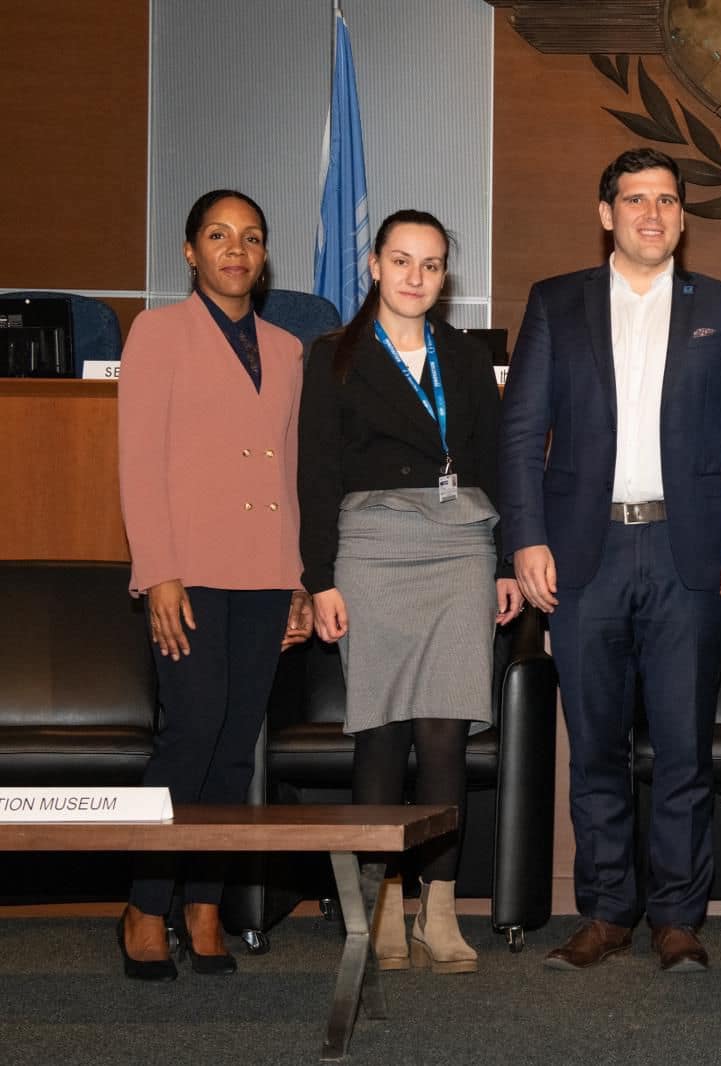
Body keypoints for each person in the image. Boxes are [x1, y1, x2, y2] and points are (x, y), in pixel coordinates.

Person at [499, 147, 721, 973]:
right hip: (584, 554)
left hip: (690, 555)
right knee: (595, 747)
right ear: (605, 212)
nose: (652, 213)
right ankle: (608, 908)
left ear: (684, 217)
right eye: (634, 199)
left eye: (666, 200)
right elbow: (519, 437)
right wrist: (526, 538)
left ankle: (679, 916)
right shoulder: (557, 304)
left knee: (686, 749)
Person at [297, 210, 522, 976]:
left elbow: (494, 459)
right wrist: (319, 578)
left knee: (446, 731)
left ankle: (441, 905)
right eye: (402, 261)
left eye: (430, 265)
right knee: (381, 729)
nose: (416, 277)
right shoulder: (333, 357)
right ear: (373, 264)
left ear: (443, 276)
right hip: (371, 547)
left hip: (461, 545)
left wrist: (503, 564)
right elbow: (316, 475)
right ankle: (381, 899)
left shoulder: (464, 357)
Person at [117, 188, 313, 980]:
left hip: (265, 572)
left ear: (265, 258)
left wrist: (298, 578)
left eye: (253, 237)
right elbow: (138, 462)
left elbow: (292, 469)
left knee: (236, 749)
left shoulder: (289, 348)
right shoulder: (157, 333)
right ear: (191, 252)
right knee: (191, 734)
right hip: (188, 574)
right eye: (219, 235)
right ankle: (145, 902)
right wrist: (157, 571)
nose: (237, 249)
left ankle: (205, 905)